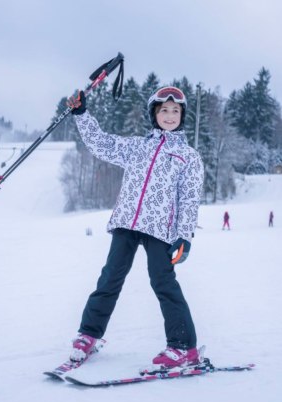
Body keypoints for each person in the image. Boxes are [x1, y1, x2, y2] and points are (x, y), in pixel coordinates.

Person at [65, 86, 204, 371]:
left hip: (160, 229)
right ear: (154, 114)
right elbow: (101, 143)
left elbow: (189, 198)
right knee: (109, 279)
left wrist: (184, 235)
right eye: (163, 110)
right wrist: (81, 114)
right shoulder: (137, 147)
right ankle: (89, 335)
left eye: (175, 111)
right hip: (127, 222)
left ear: (182, 115)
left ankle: (182, 347)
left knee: (163, 282)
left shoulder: (188, 157)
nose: (169, 115)